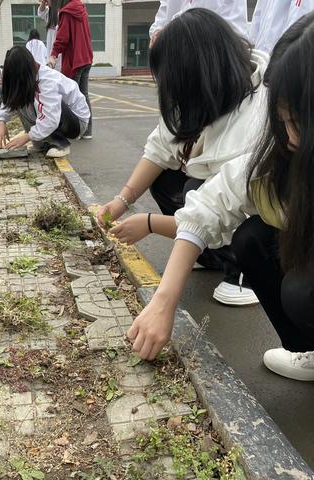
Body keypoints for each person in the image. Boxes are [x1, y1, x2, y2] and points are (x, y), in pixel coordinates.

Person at [127, 12, 314, 382]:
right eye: (283, 120)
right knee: (254, 238)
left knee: (302, 291)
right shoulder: (278, 147)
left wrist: (149, 223)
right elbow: (213, 202)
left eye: (298, 122)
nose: (288, 136)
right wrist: (163, 302)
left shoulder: (247, 122)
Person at [97, 9, 269, 306]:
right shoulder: (197, 98)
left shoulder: (256, 116)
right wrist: (121, 201)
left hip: (258, 214)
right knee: (166, 180)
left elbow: (218, 204)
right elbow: (160, 149)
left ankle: (243, 276)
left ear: (197, 75)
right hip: (215, 204)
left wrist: (151, 224)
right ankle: (208, 252)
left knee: (196, 190)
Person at [0, 46, 90, 159]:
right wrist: (1, 122)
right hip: (59, 118)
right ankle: (42, 144)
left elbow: (50, 118)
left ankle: (61, 145)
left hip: (77, 122)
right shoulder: (31, 75)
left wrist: (27, 136)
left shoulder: (48, 81)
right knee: (19, 96)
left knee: (50, 105)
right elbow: (11, 97)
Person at [48, 0, 93, 139]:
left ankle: (71, 131)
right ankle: (87, 131)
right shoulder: (81, 9)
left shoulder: (66, 12)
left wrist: (53, 54)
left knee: (69, 97)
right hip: (86, 58)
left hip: (74, 60)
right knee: (83, 95)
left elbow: (62, 37)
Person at [149, 0, 248, 47]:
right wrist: (156, 31)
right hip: (179, 52)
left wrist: (167, 31)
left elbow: (200, 14)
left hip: (218, 50)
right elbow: (165, 9)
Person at [250, 0, 314, 54]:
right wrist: (252, 42)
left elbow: (296, 21)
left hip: (277, 53)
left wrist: (281, 53)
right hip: (260, 49)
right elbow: (258, 11)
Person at [38, 0, 61, 71]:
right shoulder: (49, 12)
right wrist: (43, 3)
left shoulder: (62, 12)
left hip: (60, 51)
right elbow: (40, 13)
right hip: (51, 52)